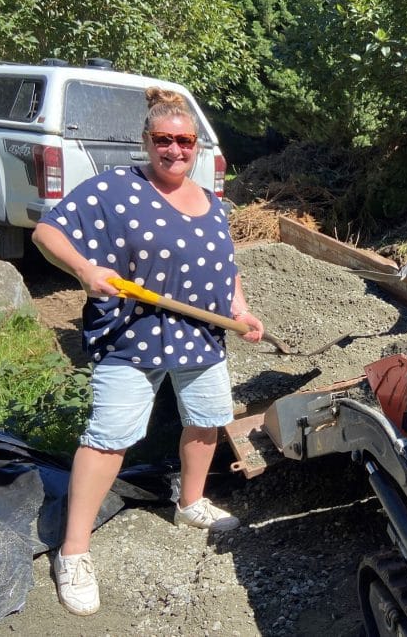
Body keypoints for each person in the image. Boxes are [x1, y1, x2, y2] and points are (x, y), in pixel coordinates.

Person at [32, 87, 264, 616]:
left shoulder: (211, 202)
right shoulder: (116, 188)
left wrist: (241, 310)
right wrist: (86, 271)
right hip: (132, 333)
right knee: (109, 438)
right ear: (147, 141)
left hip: (203, 334)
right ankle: (74, 551)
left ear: (197, 147)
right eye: (165, 140)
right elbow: (48, 232)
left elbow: (226, 270)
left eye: (185, 141)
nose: (176, 150)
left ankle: (190, 503)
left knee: (206, 419)